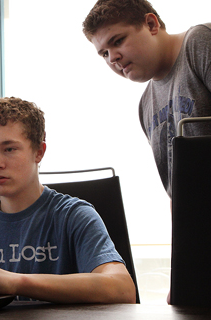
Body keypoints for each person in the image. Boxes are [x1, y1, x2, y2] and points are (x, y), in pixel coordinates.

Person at [0, 96, 136, 304]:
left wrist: (16, 283)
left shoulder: (74, 216)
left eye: (9, 149)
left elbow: (123, 289)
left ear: (39, 152)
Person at [82, 0, 211, 200]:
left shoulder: (200, 42)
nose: (112, 58)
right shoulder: (146, 105)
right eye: (104, 53)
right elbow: (176, 194)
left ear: (151, 25)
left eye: (118, 41)